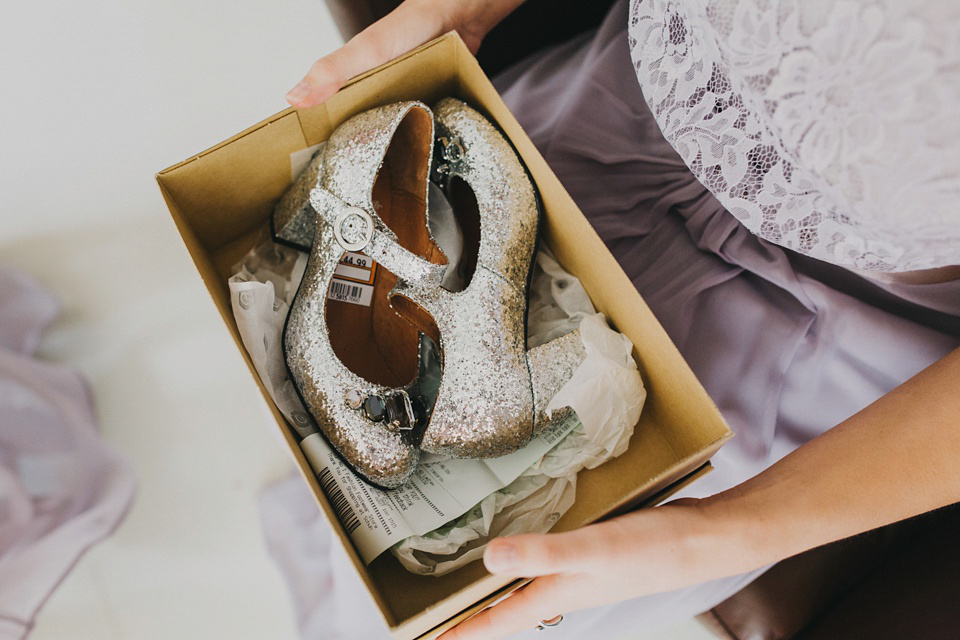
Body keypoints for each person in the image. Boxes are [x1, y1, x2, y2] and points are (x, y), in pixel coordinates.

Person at [283, 0, 960, 637]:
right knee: (367, 494)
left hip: (841, 309)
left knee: (495, 589)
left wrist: (733, 527)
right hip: (618, 100)